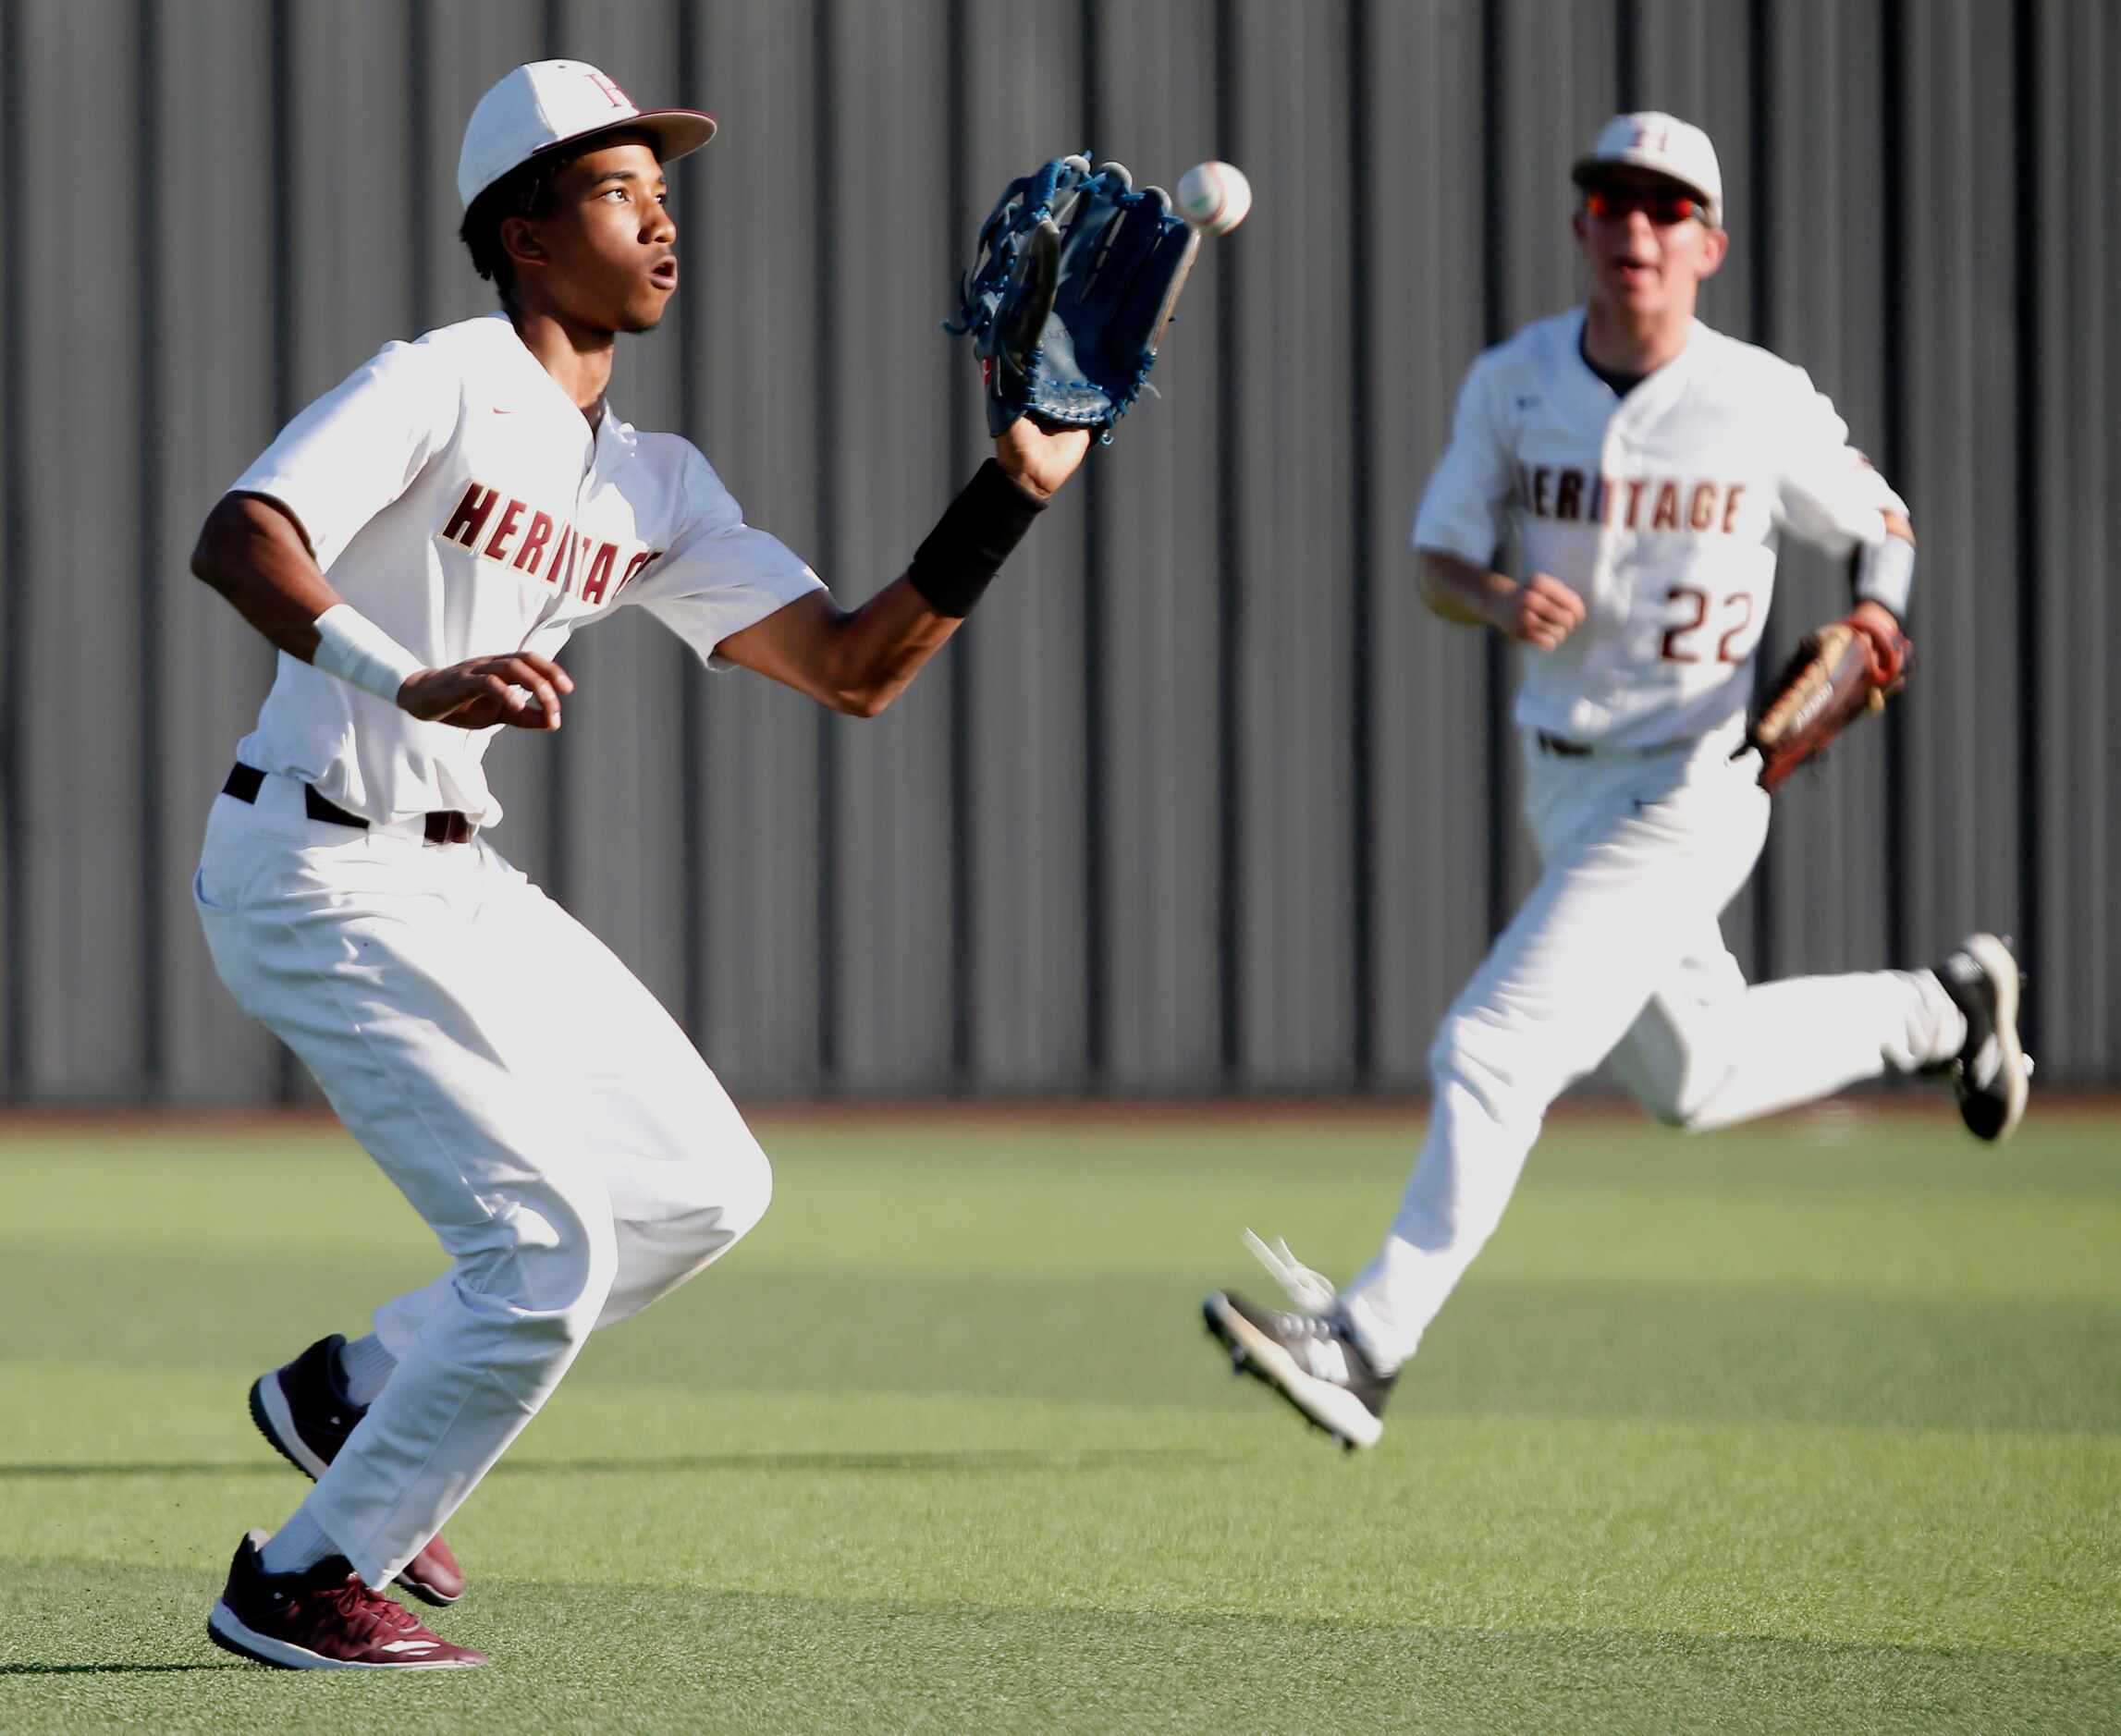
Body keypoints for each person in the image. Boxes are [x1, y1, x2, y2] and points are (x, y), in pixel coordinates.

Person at [190, 60, 1089, 1669]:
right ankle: (303, 1575)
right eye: (618, 190)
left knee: (700, 1187)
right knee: (543, 1250)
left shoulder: (650, 481)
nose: (662, 218)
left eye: (664, 191)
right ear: (524, 235)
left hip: (456, 872)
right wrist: (409, 675)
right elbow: (241, 535)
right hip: (312, 863)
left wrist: (1009, 487)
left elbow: (854, 666)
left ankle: (357, 1390)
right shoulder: (442, 380)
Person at [1202, 112, 2029, 1452]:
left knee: (1489, 1043)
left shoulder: (1754, 397)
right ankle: (1943, 1011)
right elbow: (1434, 560)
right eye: (1611, 204)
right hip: (1566, 780)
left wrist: (1877, 620)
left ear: (1706, 243)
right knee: (1691, 1077)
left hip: (1699, 780)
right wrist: (1489, 594)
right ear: (1580, 225)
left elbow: (1881, 522)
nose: (1634, 230)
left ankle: (1365, 1340)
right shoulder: (1513, 381)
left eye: (1663, 210)